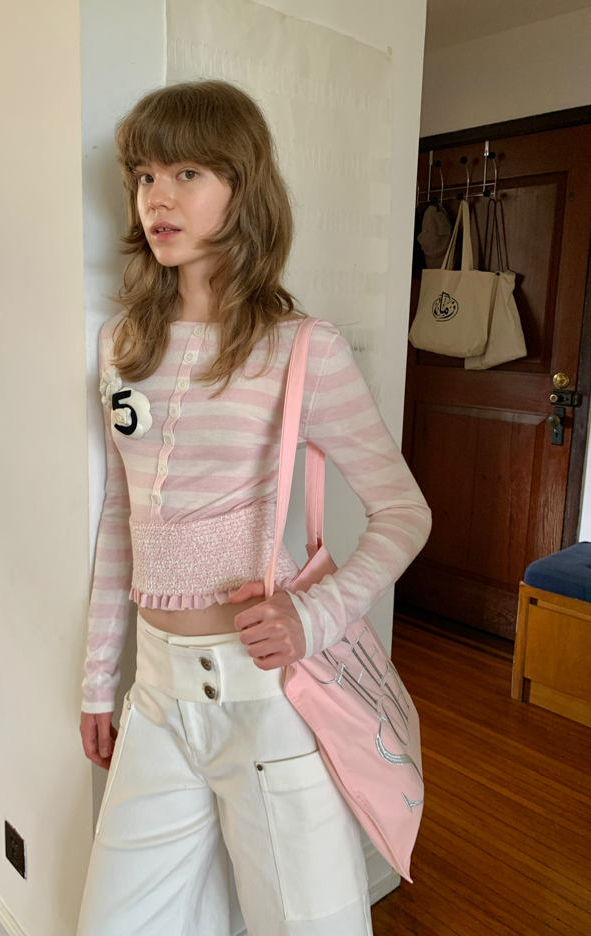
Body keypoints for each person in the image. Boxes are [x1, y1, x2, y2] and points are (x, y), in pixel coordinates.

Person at [75, 79, 432, 936]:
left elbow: (403, 511)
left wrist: (314, 616)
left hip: (269, 702)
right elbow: (123, 520)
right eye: (144, 175)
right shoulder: (123, 345)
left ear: (243, 189)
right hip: (156, 698)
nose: (157, 198)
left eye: (187, 173)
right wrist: (98, 680)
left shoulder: (303, 349)